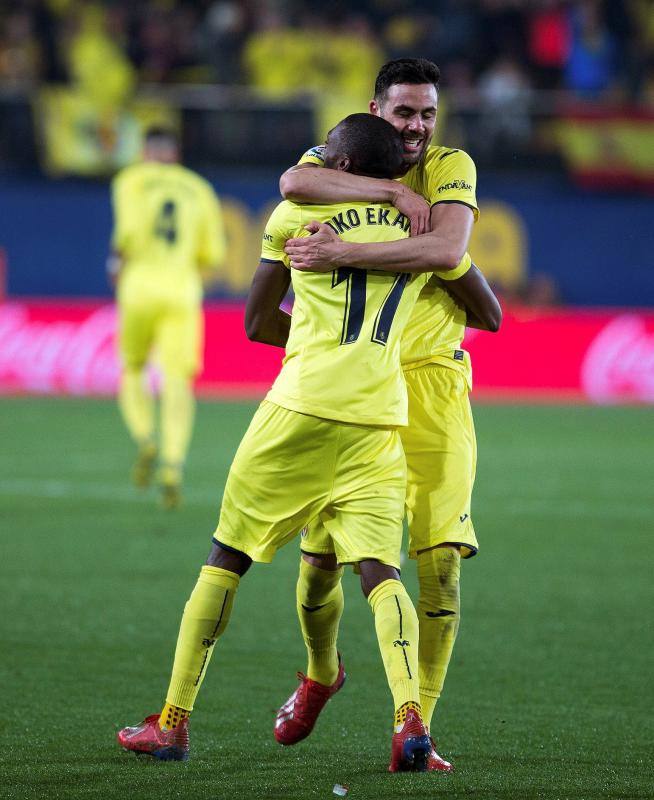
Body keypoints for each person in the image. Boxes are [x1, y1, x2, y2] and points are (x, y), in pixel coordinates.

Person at [117, 113, 469, 772]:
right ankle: (408, 720)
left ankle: (171, 723)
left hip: (298, 410)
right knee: (380, 573)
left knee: (227, 558)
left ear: (339, 168)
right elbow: (486, 306)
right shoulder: (426, 233)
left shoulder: (291, 220)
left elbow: (256, 321)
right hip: (377, 418)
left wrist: (318, 339)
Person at [273, 58, 502, 771]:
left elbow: (448, 248)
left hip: (431, 385)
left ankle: (416, 726)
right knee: (317, 568)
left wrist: (347, 251)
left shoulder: (449, 164)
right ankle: (319, 673)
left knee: (439, 566)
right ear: (377, 109)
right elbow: (293, 182)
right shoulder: (349, 152)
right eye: (404, 113)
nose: (417, 127)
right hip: (354, 386)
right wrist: (386, 197)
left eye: (428, 114)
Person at [109, 127, 226, 509]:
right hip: (182, 291)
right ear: (174, 152)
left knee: (132, 368)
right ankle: (172, 465)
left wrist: (116, 265)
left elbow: (125, 235)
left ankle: (145, 437)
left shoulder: (130, 181)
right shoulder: (199, 188)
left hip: (138, 286)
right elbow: (213, 255)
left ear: (145, 150)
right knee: (178, 381)